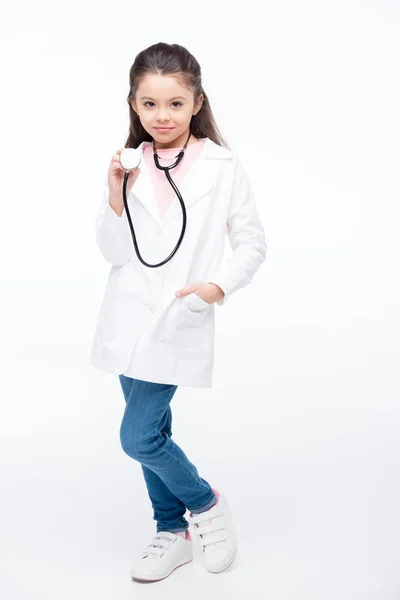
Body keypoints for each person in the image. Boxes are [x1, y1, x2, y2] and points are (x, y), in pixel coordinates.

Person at [90, 42, 267, 583]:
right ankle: (171, 530)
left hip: (179, 317)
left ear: (196, 102)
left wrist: (217, 287)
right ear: (134, 106)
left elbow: (252, 243)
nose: (161, 116)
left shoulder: (222, 165)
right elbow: (115, 254)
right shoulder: (129, 164)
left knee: (138, 437)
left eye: (173, 103)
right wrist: (117, 196)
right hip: (126, 319)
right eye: (148, 104)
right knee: (155, 430)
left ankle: (205, 504)